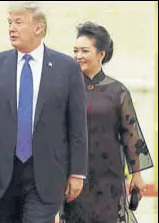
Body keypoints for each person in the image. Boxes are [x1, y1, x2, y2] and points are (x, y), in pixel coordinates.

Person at [0, 2, 88, 222]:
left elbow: (77, 126)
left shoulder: (67, 68)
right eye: (9, 22)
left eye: (19, 22)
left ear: (39, 28)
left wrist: (77, 172)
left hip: (47, 173)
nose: (11, 28)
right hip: (2, 173)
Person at [60, 21, 154, 223]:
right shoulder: (66, 89)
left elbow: (130, 134)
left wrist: (136, 174)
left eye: (84, 51)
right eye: (75, 51)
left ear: (101, 54)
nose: (78, 56)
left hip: (109, 175)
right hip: (76, 173)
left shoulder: (117, 91)